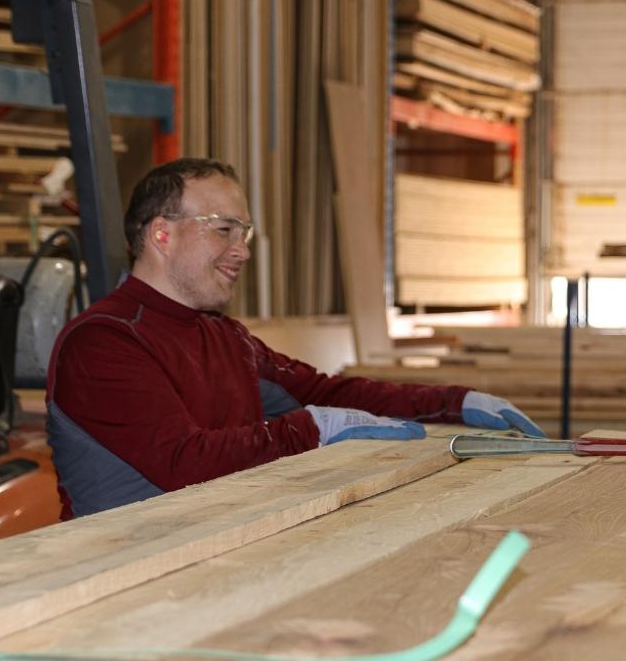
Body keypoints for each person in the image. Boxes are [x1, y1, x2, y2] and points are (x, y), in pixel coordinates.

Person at [46, 158, 545, 520]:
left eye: (245, 233)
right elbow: (183, 462)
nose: (241, 252)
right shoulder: (104, 342)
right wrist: (311, 430)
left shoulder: (224, 336)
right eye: (224, 230)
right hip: (118, 573)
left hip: (208, 552)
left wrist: (454, 401)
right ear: (162, 235)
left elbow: (330, 395)